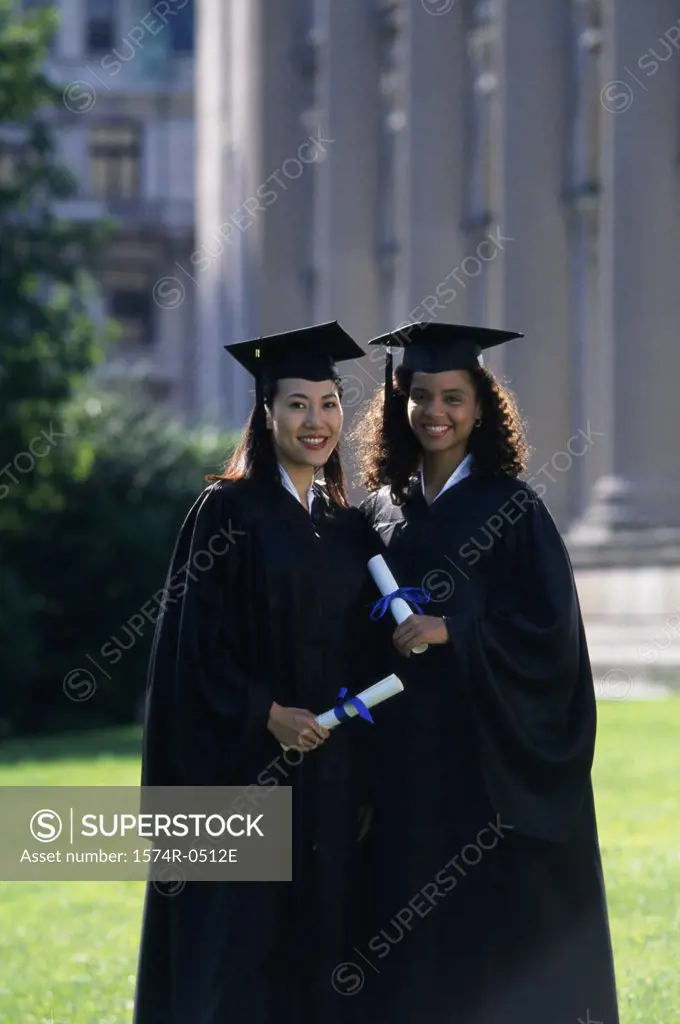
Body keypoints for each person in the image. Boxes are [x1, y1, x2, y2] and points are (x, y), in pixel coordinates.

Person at [351, 322, 620, 1024]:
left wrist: (455, 630)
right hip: (402, 766)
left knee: (489, 943)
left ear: (480, 406)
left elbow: (552, 638)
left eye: (453, 397)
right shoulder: (378, 513)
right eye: (420, 395)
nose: (435, 412)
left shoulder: (512, 509)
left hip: (487, 766)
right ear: (400, 403)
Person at [133, 322, 381, 1024]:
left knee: (314, 966)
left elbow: (362, 656)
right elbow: (190, 651)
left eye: (329, 403)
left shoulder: (347, 530)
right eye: (297, 404)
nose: (316, 421)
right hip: (239, 779)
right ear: (266, 413)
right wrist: (267, 713)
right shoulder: (227, 513)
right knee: (236, 965)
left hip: (326, 787)